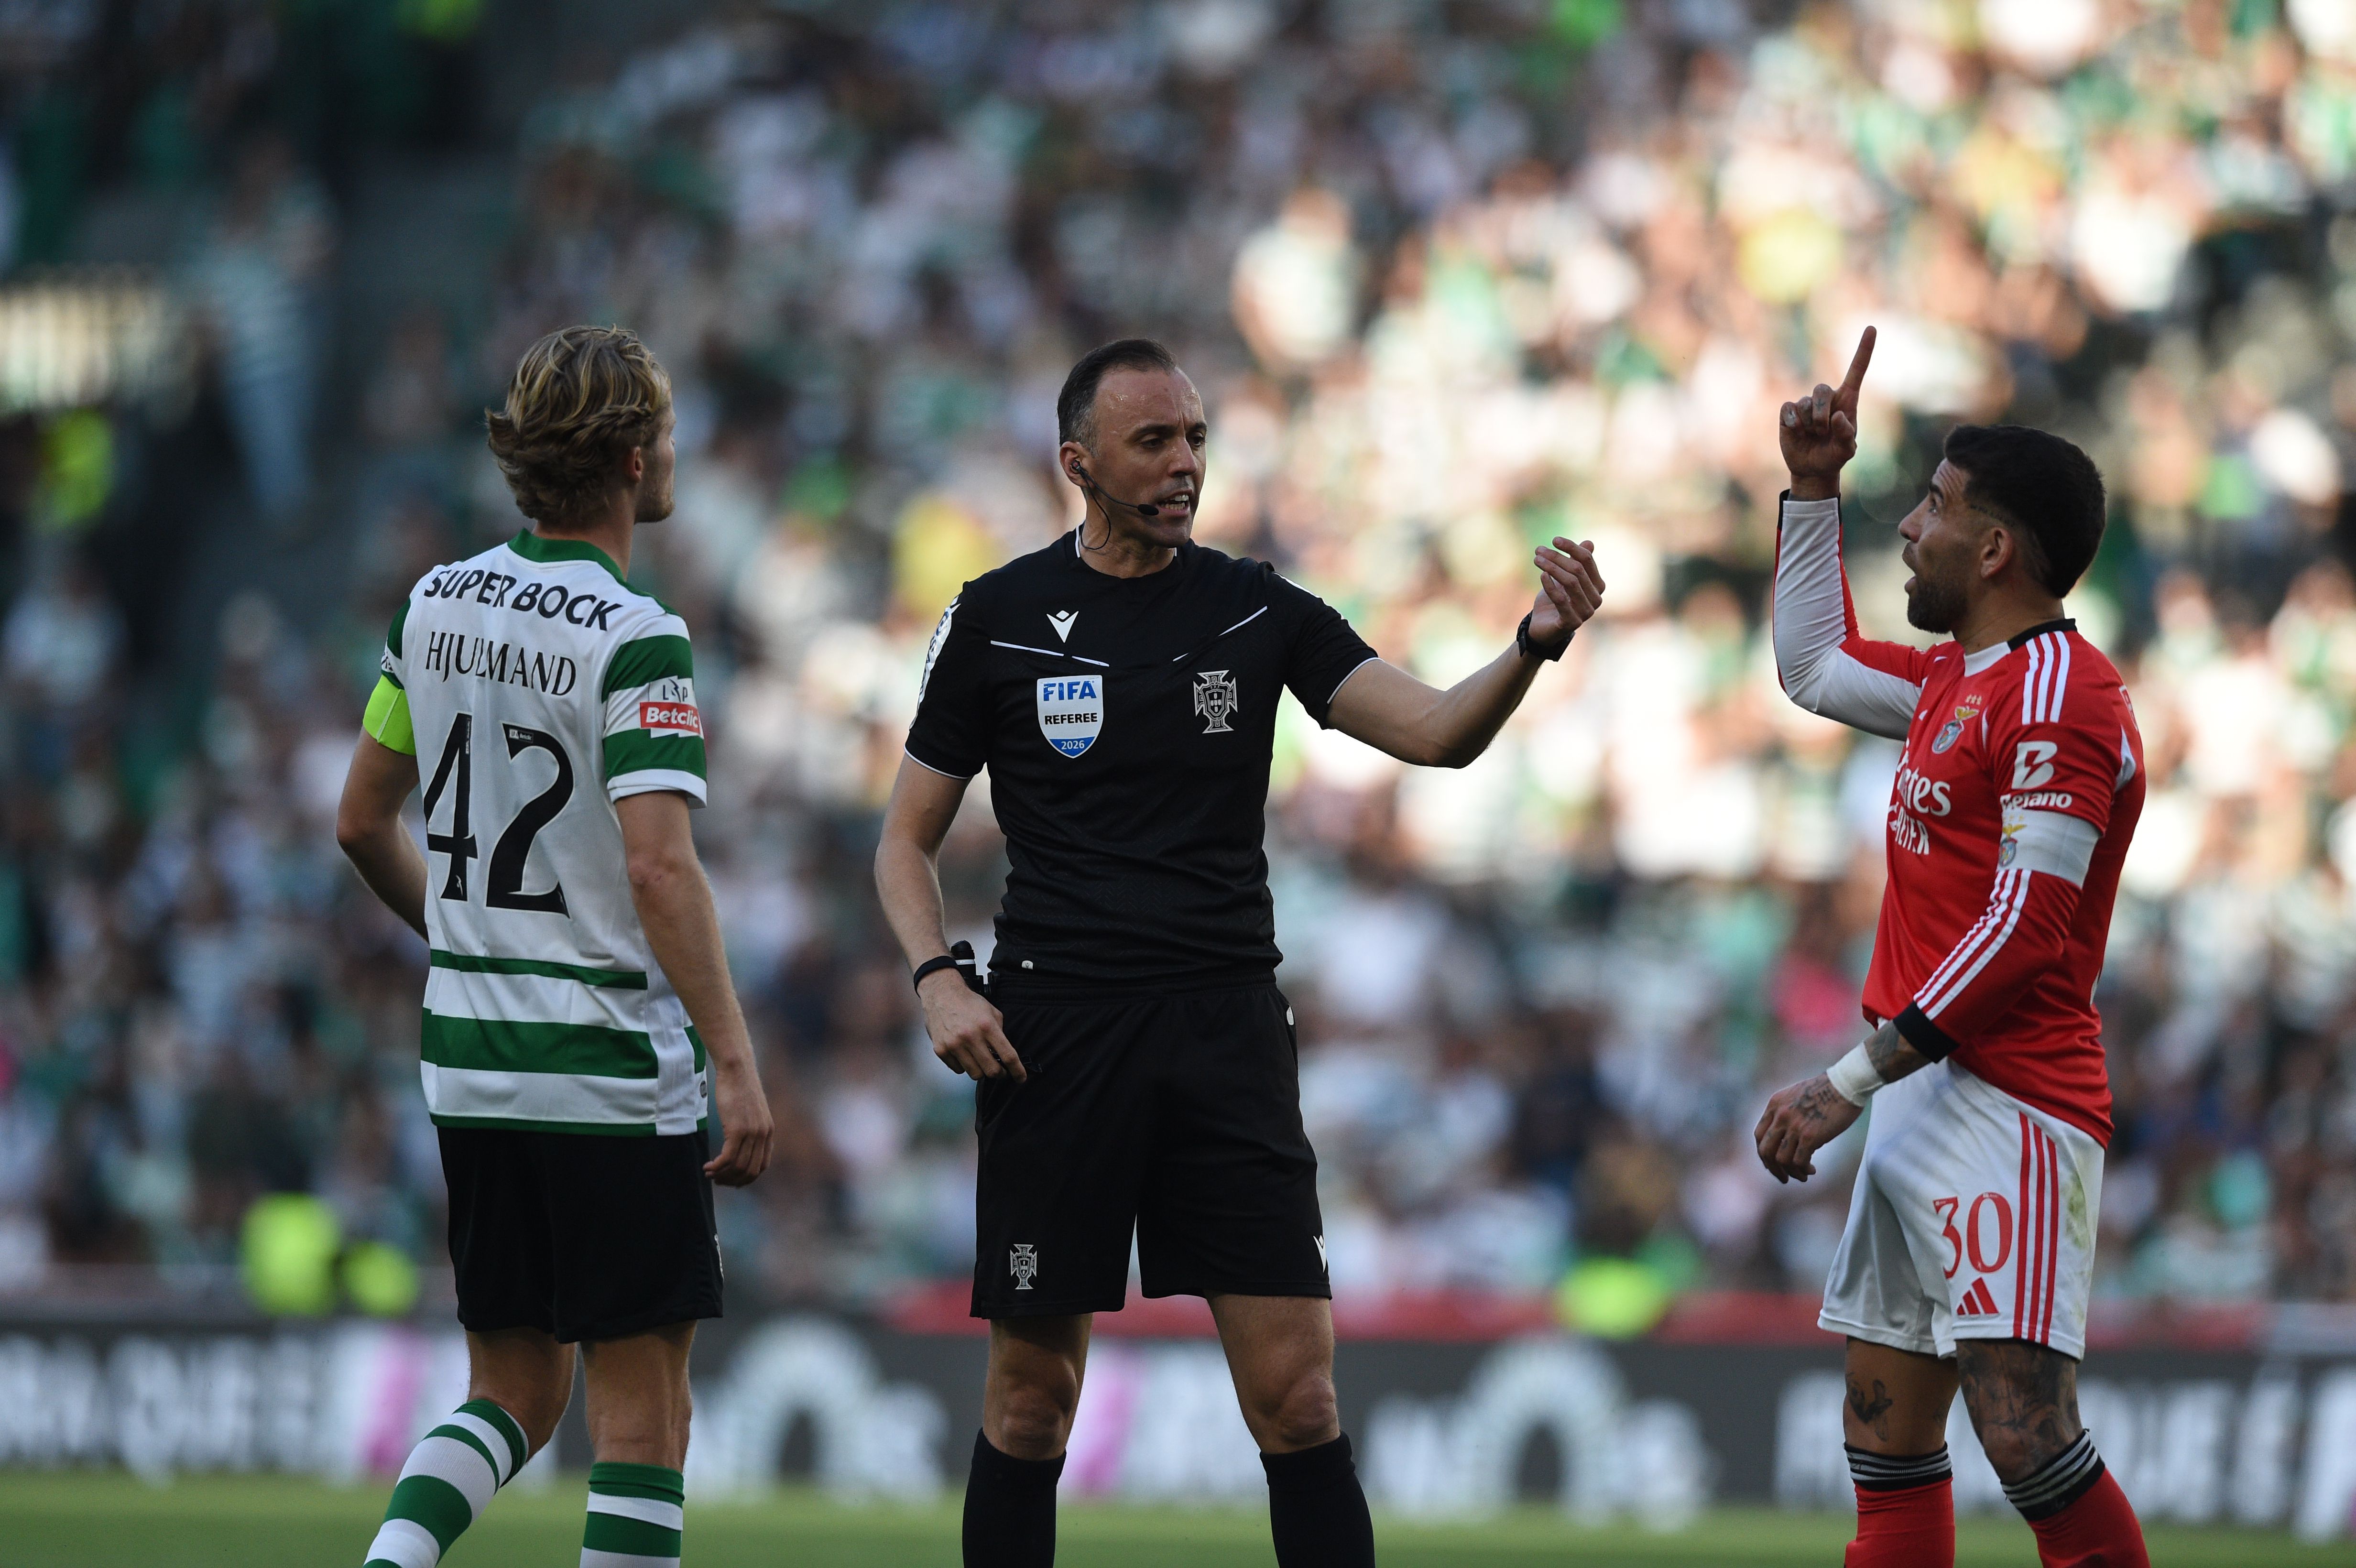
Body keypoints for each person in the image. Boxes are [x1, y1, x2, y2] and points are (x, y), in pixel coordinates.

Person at [873, 337, 1604, 1568]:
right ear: (1078, 463)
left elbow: (1436, 732)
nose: (1184, 464)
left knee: (1300, 1399)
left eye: (1196, 438)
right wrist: (938, 977)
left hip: (1224, 1031)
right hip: (1056, 1038)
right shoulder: (998, 616)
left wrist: (1532, 640)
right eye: (1153, 440)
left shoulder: (1257, 607)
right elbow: (904, 840)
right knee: (1032, 1402)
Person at [336, 324, 773, 1568]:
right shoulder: (637, 634)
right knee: (645, 1421)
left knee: (513, 1392)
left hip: (470, 1064)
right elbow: (658, 866)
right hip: (606, 1069)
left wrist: (468, 941)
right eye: (667, 433)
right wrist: (735, 1059)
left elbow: (360, 819)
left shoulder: (433, 603)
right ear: (634, 460)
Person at [1754, 328, 2151, 1568]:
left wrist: (1844, 1082)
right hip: (1919, 1090)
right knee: (1884, 1440)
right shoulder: (1955, 681)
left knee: (2026, 1437)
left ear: (1993, 551)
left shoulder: (2062, 694)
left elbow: (2027, 929)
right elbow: (1812, 666)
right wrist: (1811, 487)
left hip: (2009, 1103)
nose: (1910, 528)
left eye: (1933, 506)